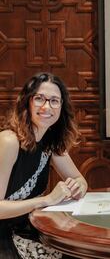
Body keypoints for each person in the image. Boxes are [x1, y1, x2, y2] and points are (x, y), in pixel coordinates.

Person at [0, 72, 88, 259]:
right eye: (39, 98)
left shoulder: (51, 142)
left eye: (54, 100)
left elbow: (81, 180)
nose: (47, 106)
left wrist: (78, 186)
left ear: (61, 107)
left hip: (29, 227)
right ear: (27, 102)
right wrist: (46, 200)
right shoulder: (9, 141)